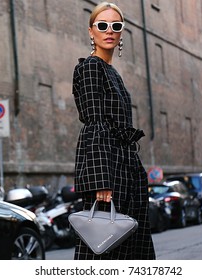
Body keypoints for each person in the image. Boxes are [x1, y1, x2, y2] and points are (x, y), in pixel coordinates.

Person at [72, 1, 156, 260]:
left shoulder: (112, 72)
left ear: (121, 33)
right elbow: (95, 123)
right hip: (108, 171)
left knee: (131, 248)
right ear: (91, 31)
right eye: (102, 25)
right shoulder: (90, 68)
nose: (109, 30)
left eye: (116, 26)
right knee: (105, 247)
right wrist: (101, 182)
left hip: (126, 168)